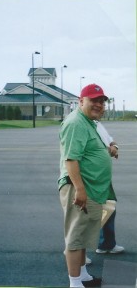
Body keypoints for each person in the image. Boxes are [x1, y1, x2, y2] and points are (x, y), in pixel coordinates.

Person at [58, 83, 114, 288]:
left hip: (89, 188)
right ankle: (75, 283)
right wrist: (80, 190)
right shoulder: (76, 123)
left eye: (102, 101)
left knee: (82, 236)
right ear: (81, 101)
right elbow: (71, 160)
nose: (99, 104)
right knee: (75, 237)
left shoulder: (88, 121)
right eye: (94, 100)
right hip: (79, 188)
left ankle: (83, 277)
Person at [94, 121, 124, 254]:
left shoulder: (97, 124)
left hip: (103, 177)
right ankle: (78, 256)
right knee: (83, 216)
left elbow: (110, 140)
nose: (100, 106)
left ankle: (107, 243)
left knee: (109, 208)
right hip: (91, 177)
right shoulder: (81, 124)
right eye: (96, 102)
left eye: (102, 103)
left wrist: (114, 146)